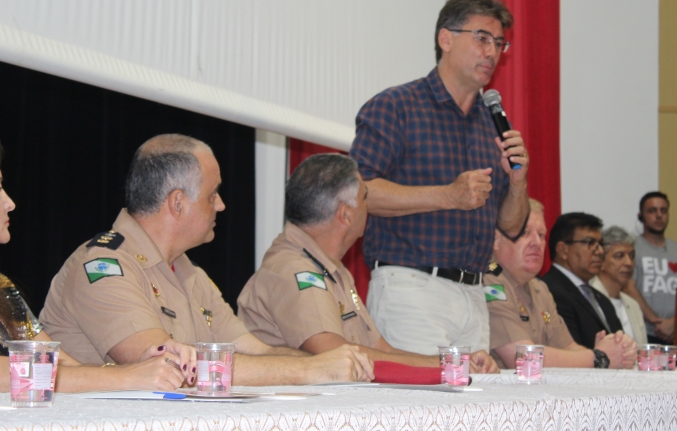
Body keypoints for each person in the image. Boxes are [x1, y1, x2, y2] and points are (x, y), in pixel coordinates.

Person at [40, 134, 373, 385]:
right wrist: (311, 370)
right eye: (212, 195)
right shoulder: (102, 267)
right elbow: (172, 370)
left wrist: (328, 361)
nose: (221, 205)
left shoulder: (190, 273)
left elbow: (257, 351)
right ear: (178, 203)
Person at [349, 0, 530, 355]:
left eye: (499, 43)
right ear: (445, 38)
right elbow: (358, 193)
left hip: (475, 294)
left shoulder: (493, 124)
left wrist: (517, 182)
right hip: (411, 287)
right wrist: (448, 195)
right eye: (482, 38)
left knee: (471, 396)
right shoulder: (397, 106)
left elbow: (510, 226)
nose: (492, 53)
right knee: (421, 394)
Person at [237, 154, 498, 373]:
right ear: (346, 215)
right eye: (365, 198)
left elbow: (381, 350)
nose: (368, 207)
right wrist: (450, 365)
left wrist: (452, 360)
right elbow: (335, 355)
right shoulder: (297, 270)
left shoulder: (330, 267)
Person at [0, 140, 195, 392]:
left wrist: (143, 365)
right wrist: (127, 377)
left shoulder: (2, 287)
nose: (9, 202)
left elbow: (58, 362)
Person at [485, 200, 636, 369]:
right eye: (525, 233)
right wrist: (599, 357)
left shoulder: (539, 288)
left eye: (541, 235)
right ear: (496, 239)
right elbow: (522, 359)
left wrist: (609, 351)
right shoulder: (489, 282)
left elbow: (569, 347)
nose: (537, 242)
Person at [540, 213, 625, 350]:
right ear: (563, 250)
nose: (600, 251)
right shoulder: (548, 291)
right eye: (590, 243)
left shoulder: (602, 299)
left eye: (601, 244)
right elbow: (569, 351)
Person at [624, 192, 677, 344]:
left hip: (676, 332)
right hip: (642, 332)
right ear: (641, 216)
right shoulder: (632, 248)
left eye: (663, 211)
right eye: (652, 211)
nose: (659, 215)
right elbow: (628, 288)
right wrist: (656, 321)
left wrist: (673, 323)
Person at [590, 226, 648, 346]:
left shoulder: (633, 305)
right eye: (619, 255)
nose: (629, 263)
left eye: (632, 256)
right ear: (601, 261)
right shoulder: (589, 299)